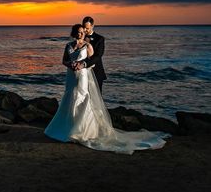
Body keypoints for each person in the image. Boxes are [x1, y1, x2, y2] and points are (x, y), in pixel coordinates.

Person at [44, 23, 170, 154]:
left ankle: (81, 130)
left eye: (82, 32)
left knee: (82, 97)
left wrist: (83, 65)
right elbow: (64, 60)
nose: (80, 33)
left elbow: (93, 62)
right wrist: (71, 64)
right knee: (70, 96)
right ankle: (67, 127)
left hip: (82, 76)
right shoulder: (68, 46)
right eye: (78, 31)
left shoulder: (88, 46)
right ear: (74, 33)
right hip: (71, 76)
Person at [80, 16, 106, 93]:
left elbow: (98, 55)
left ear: (92, 26)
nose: (85, 30)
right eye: (84, 27)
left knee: (97, 95)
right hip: (82, 72)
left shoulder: (100, 39)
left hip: (96, 71)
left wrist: (85, 64)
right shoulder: (80, 38)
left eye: (87, 28)